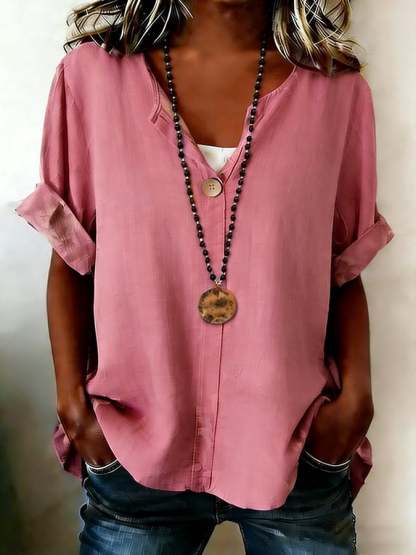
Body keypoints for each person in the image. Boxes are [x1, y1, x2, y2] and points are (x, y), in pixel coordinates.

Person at [15, 0, 395, 553]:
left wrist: (355, 400)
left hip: (295, 446)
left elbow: (344, 264)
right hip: (133, 450)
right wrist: (75, 410)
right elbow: (72, 255)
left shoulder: (336, 93)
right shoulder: (91, 80)